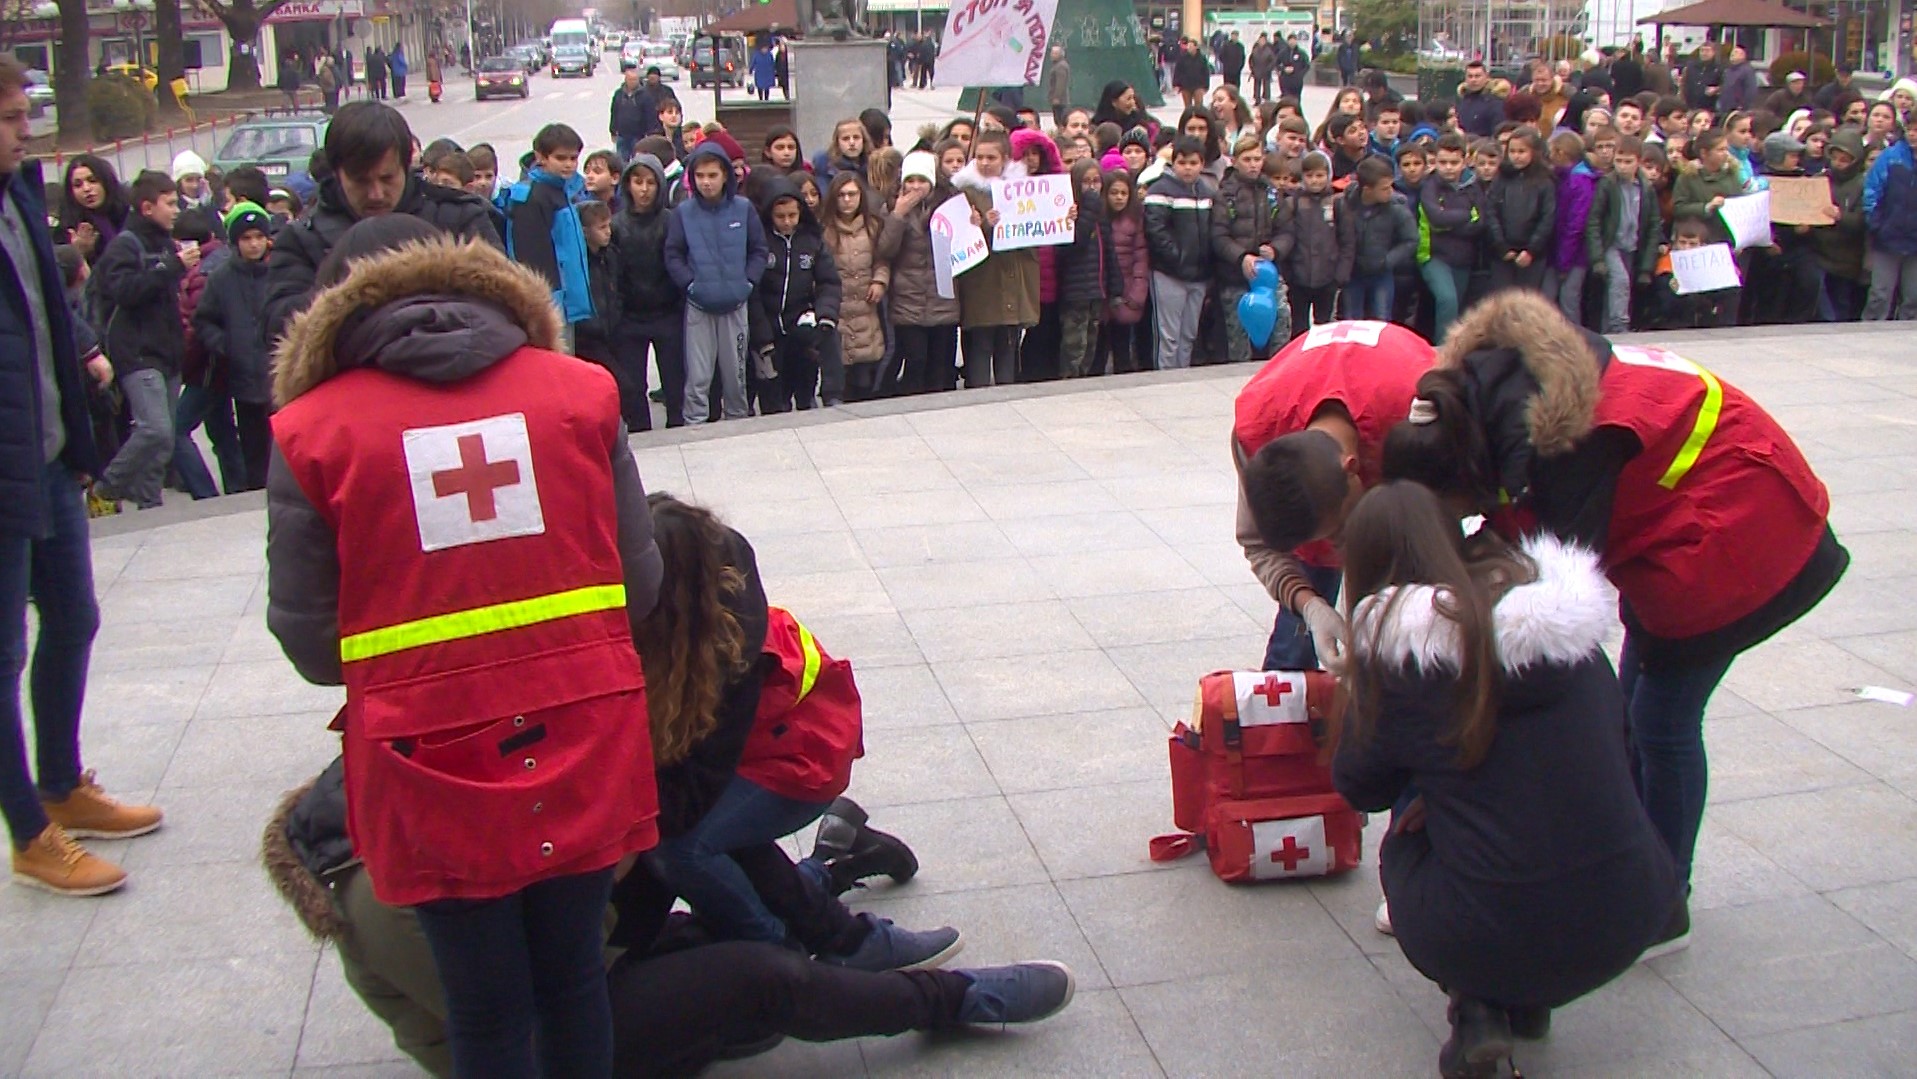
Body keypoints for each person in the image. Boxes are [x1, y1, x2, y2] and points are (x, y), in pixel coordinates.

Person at [265, 215, 666, 1077]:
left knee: (486, 1011)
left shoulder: (310, 430)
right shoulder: (581, 389)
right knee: (572, 979)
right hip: (584, 731)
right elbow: (640, 585)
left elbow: (310, 642)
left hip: (424, 758)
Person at [1382, 290, 1849, 956]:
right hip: (1682, 521)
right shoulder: (1493, 397)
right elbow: (1518, 531)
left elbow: (1558, 605)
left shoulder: (1567, 444)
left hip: (1739, 526)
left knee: (1659, 718)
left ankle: (1664, 904)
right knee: (1633, 708)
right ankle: (1636, 869)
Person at [267, 757, 1075, 1079]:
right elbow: (526, 1004)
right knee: (760, 978)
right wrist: (602, 865)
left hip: (580, 959)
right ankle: (954, 999)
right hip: (555, 1038)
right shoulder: (389, 894)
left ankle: (826, 882)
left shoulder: (413, 803)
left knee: (675, 821)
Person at [1334, 482, 1678, 1079]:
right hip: (1631, 912)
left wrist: (1356, 696)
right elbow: (1614, 751)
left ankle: (1478, 1005)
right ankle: (1529, 1000)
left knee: (1406, 842)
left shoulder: (1402, 667)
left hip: (1489, 931)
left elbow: (1361, 788)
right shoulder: (1566, 635)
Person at [0, 57, 161, 896]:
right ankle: (30, 829)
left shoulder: (20, 196)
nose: (26, 129)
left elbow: (45, 303)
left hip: (50, 452)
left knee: (75, 617)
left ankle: (62, 784)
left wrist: (85, 350)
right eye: (9, 117)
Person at [1234, 320, 1436, 671]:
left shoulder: (1418, 407)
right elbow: (1258, 542)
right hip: (1314, 392)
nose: (1338, 547)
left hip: (1397, 426)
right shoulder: (1258, 427)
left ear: (1354, 467)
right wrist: (1309, 605)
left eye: (1339, 532)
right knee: (1293, 651)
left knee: (1410, 640)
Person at [264, 102, 500, 340]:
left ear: (407, 166)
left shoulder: (458, 219)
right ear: (337, 173)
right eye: (361, 181)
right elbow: (281, 330)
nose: (376, 194)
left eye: (387, 178)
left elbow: (502, 300)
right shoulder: (302, 240)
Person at [89, 170, 194, 511]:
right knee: (155, 430)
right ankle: (104, 488)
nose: (176, 210)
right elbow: (124, 291)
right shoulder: (126, 244)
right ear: (147, 208)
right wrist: (170, 266)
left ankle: (150, 504)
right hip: (137, 352)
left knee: (163, 444)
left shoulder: (165, 242)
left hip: (167, 351)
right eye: (170, 203)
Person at [666, 141, 768, 424]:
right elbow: (673, 254)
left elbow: (759, 249)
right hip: (699, 304)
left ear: (725, 175)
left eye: (712, 175)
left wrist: (747, 282)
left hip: (735, 303)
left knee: (735, 372)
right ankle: (695, 422)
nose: (706, 182)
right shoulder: (683, 213)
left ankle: (737, 418)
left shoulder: (742, 209)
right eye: (700, 176)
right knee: (698, 375)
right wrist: (690, 284)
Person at [189, 201, 274, 491]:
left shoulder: (278, 275)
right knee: (252, 446)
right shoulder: (222, 279)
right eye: (247, 238)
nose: (254, 245)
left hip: (276, 375)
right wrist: (224, 345)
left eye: (259, 238)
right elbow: (204, 320)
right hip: (244, 378)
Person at [952, 129, 1038, 388]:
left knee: (1008, 347)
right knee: (980, 346)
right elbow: (960, 238)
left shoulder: (1022, 189)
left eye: (991, 157)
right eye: (980, 157)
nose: (985, 163)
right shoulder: (964, 191)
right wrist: (983, 227)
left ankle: (1007, 394)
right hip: (981, 282)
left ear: (1005, 159)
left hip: (1013, 278)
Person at [502, 124, 593, 355]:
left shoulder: (561, 189)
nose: (569, 164)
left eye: (573, 158)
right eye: (560, 158)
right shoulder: (529, 197)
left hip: (568, 301)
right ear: (541, 156)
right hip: (550, 303)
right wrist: (547, 304)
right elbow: (529, 256)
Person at [752, 177, 841, 413]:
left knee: (806, 383)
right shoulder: (760, 241)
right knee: (773, 398)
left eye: (792, 215)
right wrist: (761, 330)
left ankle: (823, 396)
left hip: (800, 322)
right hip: (768, 327)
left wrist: (825, 313)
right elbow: (753, 288)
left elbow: (828, 281)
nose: (787, 222)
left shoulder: (812, 241)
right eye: (780, 216)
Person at [610, 155, 681, 431]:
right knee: (632, 383)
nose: (644, 189)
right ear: (628, 185)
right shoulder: (617, 224)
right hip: (630, 315)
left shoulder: (670, 220)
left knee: (674, 378)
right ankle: (640, 429)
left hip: (666, 311)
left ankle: (678, 426)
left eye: (651, 182)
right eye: (638, 182)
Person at [820, 173, 898, 401]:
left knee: (865, 371)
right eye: (841, 195)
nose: (847, 200)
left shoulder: (873, 226)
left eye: (852, 194)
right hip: (839, 305)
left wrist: (879, 281)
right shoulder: (825, 230)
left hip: (867, 303)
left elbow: (882, 259)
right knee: (840, 367)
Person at [1211, 134, 1289, 362]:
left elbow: (1286, 230)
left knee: (1281, 320)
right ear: (1235, 161)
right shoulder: (1225, 196)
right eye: (1247, 159)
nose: (1253, 164)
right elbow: (1218, 235)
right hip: (1235, 276)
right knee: (1239, 333)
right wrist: (1241, 257)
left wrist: (1276, 249)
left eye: (1257, 158)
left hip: (1269, 276)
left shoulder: (1272, 194)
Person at [1144, 135, 1214, 369]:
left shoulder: (1206, 192)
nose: (1188, 169)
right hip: (1169, 274)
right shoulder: (1160, 190)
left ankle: (1183, 377)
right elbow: (1156, 231)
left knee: (1188, 335)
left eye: (1193, 163)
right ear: (1173, 163)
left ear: (1202, 164)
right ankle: (1164, 379)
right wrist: (1176, 257)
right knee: (1169, 336)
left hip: (1199, 274)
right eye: (1182, 163)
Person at [1584, 134, 1659, 335]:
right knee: (1620, 282)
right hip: (1611, 244)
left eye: (1628, 162)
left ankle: (1608, 331)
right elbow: (1594, 221)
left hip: (1633, 245)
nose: (1623, 166)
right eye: (1619, 161)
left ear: (1639, 162)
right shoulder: (1607, 184)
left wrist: (1646, 267)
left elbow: (1652, 226)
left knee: (1617, 291)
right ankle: (1619, 326)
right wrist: (1597, 257)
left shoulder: (1646, 188)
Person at [1418, 133, 1488, 343]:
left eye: (1454, 162)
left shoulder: (1473, 186)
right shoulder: (1430, 186)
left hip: (1464, 258)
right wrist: (1466, 216)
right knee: (1447, 300)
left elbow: (1481, 222)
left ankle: (1456, 351)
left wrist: (1451, 224)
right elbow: (1437, 219)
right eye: (1443, 162)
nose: (1448, 168)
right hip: (1434, 256)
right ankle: (1442, 353)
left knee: (1458, 309)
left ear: (1465, 161)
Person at [1283, 152, 1352, 339]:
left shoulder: (1338, 203)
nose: (1315, 181)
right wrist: (1288, 272)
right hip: (1299, 277)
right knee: (1299, 328)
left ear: (1328, 176)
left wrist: (1340, 274)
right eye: (1310, 176)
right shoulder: (1293, 203)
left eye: (1320, 175)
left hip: (1328, 277)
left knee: (1325, 327)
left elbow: (1347, 241)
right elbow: (1286, 238)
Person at [1342, 157, 1415, 321]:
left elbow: (1410, 240)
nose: (1390, 191)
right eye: (1384, 188)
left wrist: (1387, 261)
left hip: (1381, 273)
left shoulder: (1397, 207)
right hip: (1353, 271)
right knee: (1352, 319)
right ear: (1367, 189)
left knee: (1381, 319)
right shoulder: (1346, 203)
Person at [1487, 126, 1555, 295]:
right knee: (1503, 299)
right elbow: (1491, 211)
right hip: (1502, 253)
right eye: (1512, 151)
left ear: (1535, 152)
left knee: (1526, 301)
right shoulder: (1501, 177)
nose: (1516, 156)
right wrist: (1501, 245)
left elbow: (1547, 217)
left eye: (1522, 151)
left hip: (1532, 255)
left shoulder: (1544, 181)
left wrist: (1532, 250)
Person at [1862, 116, 1917, 321]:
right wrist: (1876, 223)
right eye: (1910, 129)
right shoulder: (1891, 157)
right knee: (1880, 294)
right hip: (1888, 237)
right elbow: (1872, 190)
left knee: (1913, 296)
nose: (1913, 134)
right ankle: (1869, 333)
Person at [56, 155, 128, 267]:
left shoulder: (129, 213)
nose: (86, 189)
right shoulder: (68, 228)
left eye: (92, 180)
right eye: (78, 185)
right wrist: (78, 253)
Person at [610, 64, 659, 162]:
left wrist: (650, 133)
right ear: (626, 80)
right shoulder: (619, 94)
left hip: (638, 135)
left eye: (635, 79)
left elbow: (650, 115)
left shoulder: (645, 95)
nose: (633, 82)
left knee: (638, 160)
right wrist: (612, 129)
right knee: (621, 160)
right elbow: (614, 112)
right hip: (622, 134)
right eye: (630, 79)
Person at [1455, 61, 1501, 138]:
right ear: (1465, 78)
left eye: (1477, 76)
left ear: (1486, 77)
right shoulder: (1461, 101)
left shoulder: (1495, 102)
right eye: (1470, 76)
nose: (1473, 80)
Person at [1680, 41, 1719, 111]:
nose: (1704, 53)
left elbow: (1724, 85)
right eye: (1702, 50)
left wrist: (1717, 89)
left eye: (1707, 51)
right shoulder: (1691, 67)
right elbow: (1683, 84)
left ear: (1713, 52)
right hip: (1690, 106)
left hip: (1709, 107)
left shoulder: (1719, 69)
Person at [1173, 38, 1210, 111]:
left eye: (1191, 46)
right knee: (1188, 107)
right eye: (1188, 46)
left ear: (1196, 47)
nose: (1189, 48)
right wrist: (1176, 84)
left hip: (1198, 85)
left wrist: (1206, 86)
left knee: (1198, 105)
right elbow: (1178, 71)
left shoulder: (1202, 58)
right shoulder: (1183, 58)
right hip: (1185, 85)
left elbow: (1206, 72)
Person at [1044, 46, 1072, 129]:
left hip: (1060, 100)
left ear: (1061, 54)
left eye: (1055, 53)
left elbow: (1061, 83)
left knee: (1060, 120)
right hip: (1059, 99)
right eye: (1052, 53)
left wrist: (1057, 98)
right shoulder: (1058, 65)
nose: (1052, 55)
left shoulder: (1061, 66)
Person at [751, 38, 777, 103]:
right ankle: (761, 99)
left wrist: (774, 70)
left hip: (767, 73)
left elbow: (773, 63)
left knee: (766, 87)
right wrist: (751, 69)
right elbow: (753, 63)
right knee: (760, 86)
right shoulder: (757, 55)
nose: (764, 50)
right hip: (760, 73)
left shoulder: (769, 55)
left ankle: (766, 99)